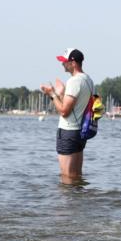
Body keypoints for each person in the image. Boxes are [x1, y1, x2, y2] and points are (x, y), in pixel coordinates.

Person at [40, 48, 93, 181]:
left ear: (73, 63)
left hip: (68, 132)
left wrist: (52, 94)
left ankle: (67, 202)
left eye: (65, 61)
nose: (62, 64)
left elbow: (64, 111)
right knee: (76, 175)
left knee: (67, 176)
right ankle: (77, 200)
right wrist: (61, 93)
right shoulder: (88, 80)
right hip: (81, 132)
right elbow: (75, 106)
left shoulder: (74, 81)